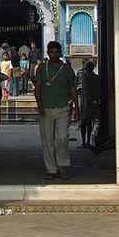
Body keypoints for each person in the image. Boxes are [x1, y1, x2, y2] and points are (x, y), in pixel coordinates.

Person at [35, 41, 79, 180]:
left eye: (57, 51)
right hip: (46, 108)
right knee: (47, 139)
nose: (54, 54)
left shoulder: (67, 69)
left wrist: (77, 107)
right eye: (51, 52)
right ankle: (51, 169)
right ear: (48, 53)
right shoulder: (42, 68)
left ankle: (62, 165)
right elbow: (38, 88)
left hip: (63, 107)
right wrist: (39, 105)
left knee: (62, 138)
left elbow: (72, 88)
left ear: (60, 53)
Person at [79, 61, 101, 149]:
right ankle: (88, 141)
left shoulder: (84, 76)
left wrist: (87, 100)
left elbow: (86, 89)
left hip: (86, 102)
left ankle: (84, 142)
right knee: (89, 123)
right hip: (93, 101)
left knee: (83, 123)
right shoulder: (96, 77)